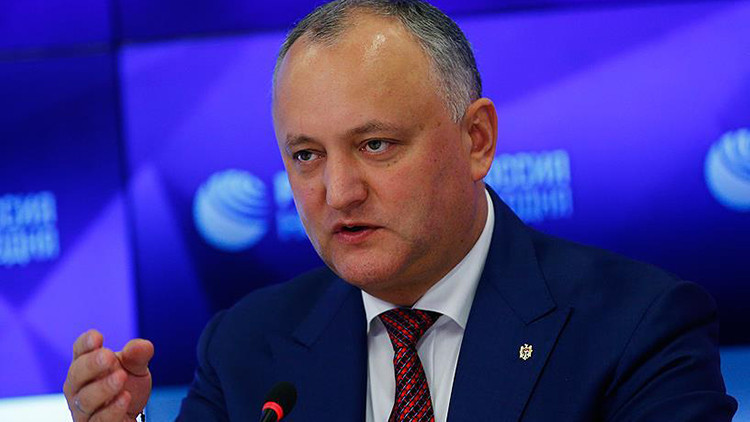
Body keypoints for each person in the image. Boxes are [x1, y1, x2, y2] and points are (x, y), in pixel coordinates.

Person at [63, 0, 738, 421]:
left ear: (477, 140)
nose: (339, 192)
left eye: (375, 145)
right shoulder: (246, 349)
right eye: (306, 155)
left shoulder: (636, 328)